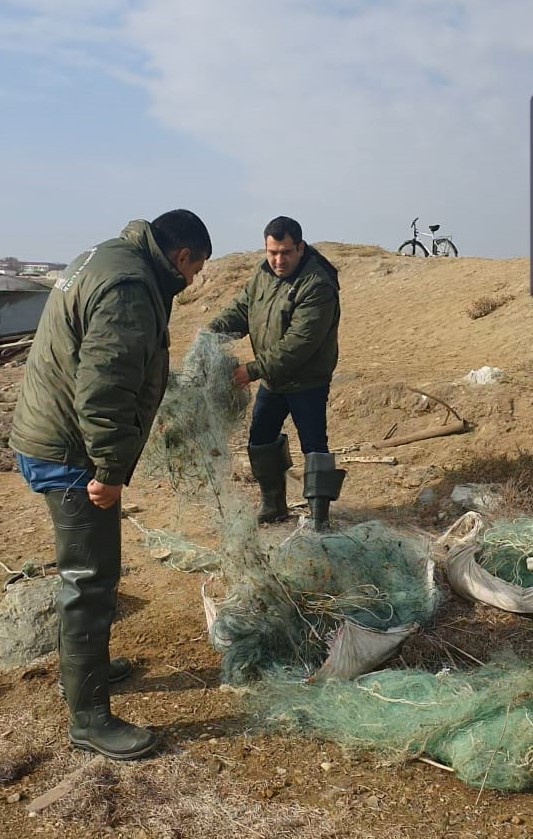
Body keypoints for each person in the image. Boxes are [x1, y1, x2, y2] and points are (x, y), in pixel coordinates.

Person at [9, 209, 212, 760]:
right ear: (182, 257)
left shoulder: (105, 257)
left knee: (85, 573)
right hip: (71, 451)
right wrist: (109, 470)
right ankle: (88, 718)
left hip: (46, 433)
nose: (191, 284)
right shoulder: (129, 287)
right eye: (194, 273)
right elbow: (104, 388)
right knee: (90, 580)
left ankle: (84, 671)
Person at [209, 216, 345, 531]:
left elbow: (299, 343)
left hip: (307, 380)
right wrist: (211, 332)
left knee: (314, 445)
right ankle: (273, 506)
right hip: (274, 380)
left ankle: (319, 518)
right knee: (260, 440)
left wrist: (252, 370)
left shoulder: (317, 283)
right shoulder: (263, 274)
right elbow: (242, 310)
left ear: (299, 247)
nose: (278, 260)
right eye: (272, 252)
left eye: (285, 252)